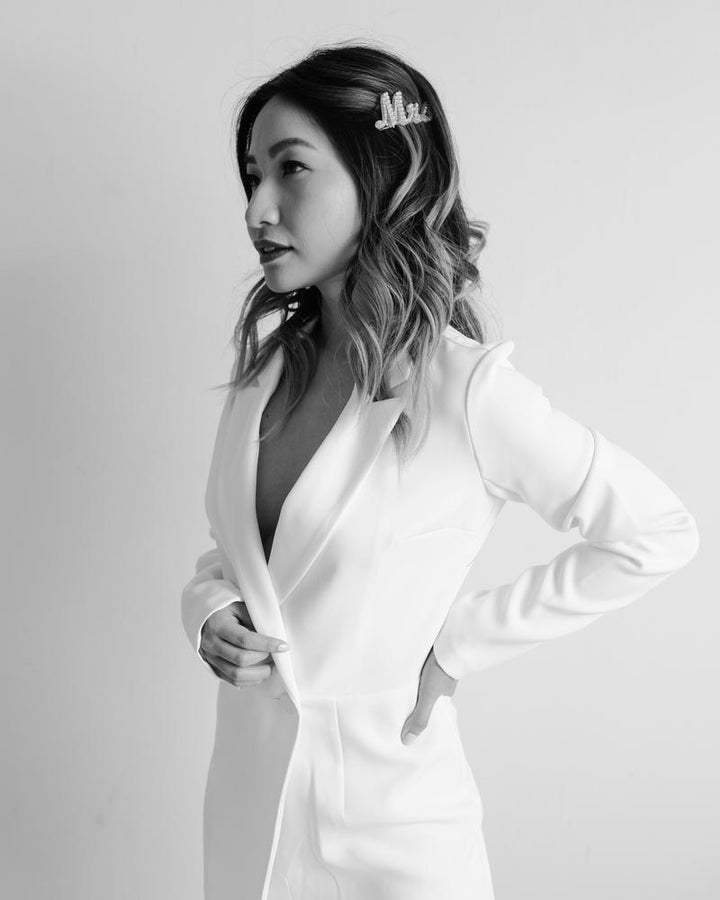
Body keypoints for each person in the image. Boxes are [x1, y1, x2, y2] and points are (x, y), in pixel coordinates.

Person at [180, 41, 699, 900]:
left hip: (396, 830)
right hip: (250, 812)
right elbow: (240, 557)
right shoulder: (268, 373)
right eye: (251, 175)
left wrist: (460, 646)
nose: (257, 208)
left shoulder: (462, 388)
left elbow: (656, 533)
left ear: (379, 177)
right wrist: (206, 611)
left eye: (290, 169)